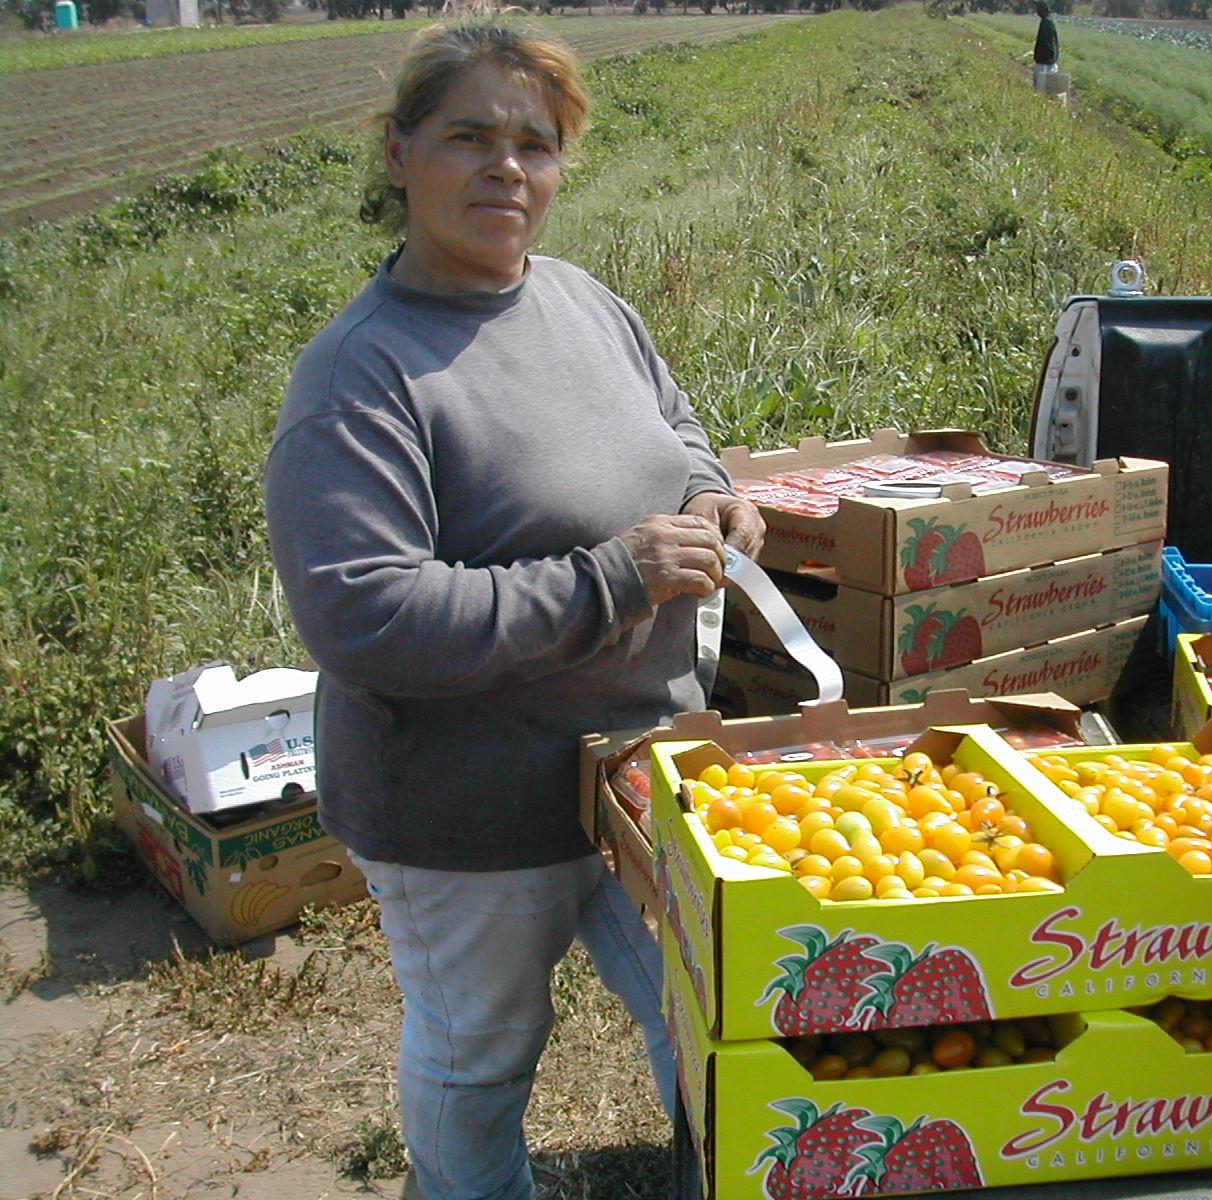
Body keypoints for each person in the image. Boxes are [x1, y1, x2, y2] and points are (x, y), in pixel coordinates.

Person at [262, 21, 764, 1200]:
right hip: (468, 807)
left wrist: (711, 495)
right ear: (397, 155)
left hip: (646, 772)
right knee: (481, 1055)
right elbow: (367, 617)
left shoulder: (584, 302)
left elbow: (675, 429)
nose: (507, 170)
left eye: (534, 145)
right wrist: (615, 578)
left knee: (707, 1022)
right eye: (469, 137)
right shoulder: (361, 377)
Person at [1032, 1, 1060, 93]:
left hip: (1044, 62)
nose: (1037, 11)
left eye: (1038, 9)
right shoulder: (1048, 20)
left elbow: (1047, 43)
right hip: (1048, 61)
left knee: (1041, 89)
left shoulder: (1046, 22)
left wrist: (1039, 54)